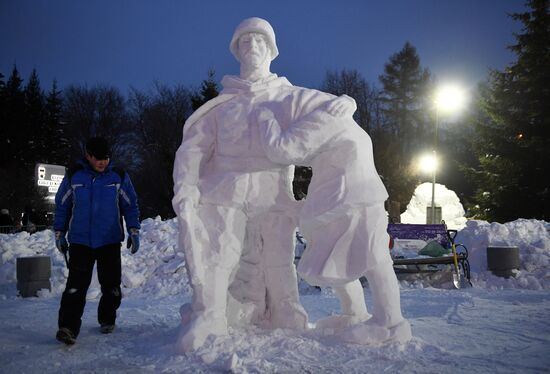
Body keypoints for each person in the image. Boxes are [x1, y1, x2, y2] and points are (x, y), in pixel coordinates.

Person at [172, 17, 348, 351]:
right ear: (236, 51)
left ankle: (285, 308)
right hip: (227, 188)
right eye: (245, 42)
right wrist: (185, 187)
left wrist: (347, 103)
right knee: (220, 254)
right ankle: (212, 314)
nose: (252, 47)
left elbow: (334, 108)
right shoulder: (221, 106)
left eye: (259, 42)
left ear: (271, 50)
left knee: (279, 256)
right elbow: (192, 149)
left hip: (273, 189)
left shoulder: (288, 97)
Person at [256, 96, 412, 344]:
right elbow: (309, 151)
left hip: (351, 197)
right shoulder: (341, 117)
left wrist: (265, 119)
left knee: (374, 257)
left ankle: (390, 323)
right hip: (351, 195)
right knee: (337, 254)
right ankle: (355, 312)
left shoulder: (323, 118)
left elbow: (282, 149)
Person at [53, 136, 140, 345]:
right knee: (75, 287)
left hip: (109, 240)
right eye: (98, 158)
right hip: (80, 241)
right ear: (88, 156)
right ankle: (68, 328)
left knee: (111, 287)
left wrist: (134, 230)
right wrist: (59, 232)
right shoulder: (75, 176)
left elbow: (130, 205)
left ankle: (107, 318)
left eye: (106, 158)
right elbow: (62, 205)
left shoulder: (118, 176)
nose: (103, 162)